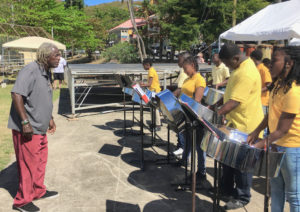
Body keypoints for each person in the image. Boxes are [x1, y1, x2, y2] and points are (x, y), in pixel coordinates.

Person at [8, 43, 60, 212]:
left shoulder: (46, 72)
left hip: (40, 127)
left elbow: (42, 97)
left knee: (39, 161)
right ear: (46, 57)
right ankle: (22, 201)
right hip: (28, 128)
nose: (59, 58)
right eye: (56, 55)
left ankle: (38, 190)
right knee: (28, 164)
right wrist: (25, 123)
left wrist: (50, 118)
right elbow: (16, 94)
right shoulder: (30, 70)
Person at [248, 46, 300, 212]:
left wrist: (260, 144)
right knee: (275, 190)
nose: (269, 64)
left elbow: (283, 129)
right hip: (276, 144)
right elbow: (270, 115)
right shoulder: (278, 85)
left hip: (292, 147)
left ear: (289, 64)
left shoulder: (294, 91)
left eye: (274, 60)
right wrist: (256, 132)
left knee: (294, 195)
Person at [217, 43, 264, 210]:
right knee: (228, 160)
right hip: (235, 123)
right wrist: (215, 105)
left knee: (242, 164)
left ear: (236, 58)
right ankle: (227, 190)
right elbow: (230, 93)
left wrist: (218, 113)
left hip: (246, 125)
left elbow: (235, 101)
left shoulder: (246, 73)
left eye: (228, 63)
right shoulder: (239, 69)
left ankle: (243, 196)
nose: (227, 66)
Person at [173, 56, 207, 185]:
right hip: (185, 114)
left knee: (199, 146)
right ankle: (184, 161)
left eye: (186, 68)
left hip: (195, 117)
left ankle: (201, 172)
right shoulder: (188, 79)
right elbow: (182, 92)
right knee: (187, 142)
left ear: (193, 65)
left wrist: (184, 103)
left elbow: (197, 100)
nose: (185, 71)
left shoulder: (200, 80)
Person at [173, 52, 190, 158]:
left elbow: (179, 90)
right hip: (181, 104)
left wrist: (168, 97)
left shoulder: (184, 73)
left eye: (179, 60)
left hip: (183, 106)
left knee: (181, 129)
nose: (177, 62)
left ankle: (182, 150)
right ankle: (181, 147)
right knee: (180, 130)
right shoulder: (183, 72)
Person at [140, 58, 161, 131]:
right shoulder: (151, 70)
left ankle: (158, 125)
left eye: (144, 66)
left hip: (155, 91)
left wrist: (142, 85)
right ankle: (153, 123)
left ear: (147, 65)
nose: (143, 67)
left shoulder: (151, 71)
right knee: (152, 108)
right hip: (152, 91)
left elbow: (149, 84)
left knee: (155, 108)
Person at [250, 50, 272, 116]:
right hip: (256, 100)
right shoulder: (255, 68)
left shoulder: (264, 69)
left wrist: (258, 91)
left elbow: (269, 84)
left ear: (253, 58)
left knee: (261, 121)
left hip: (263, 101)